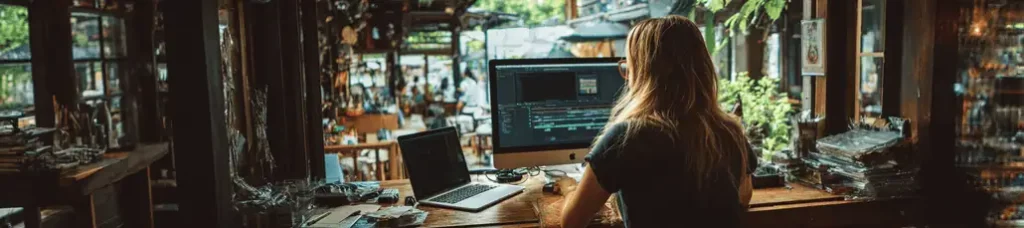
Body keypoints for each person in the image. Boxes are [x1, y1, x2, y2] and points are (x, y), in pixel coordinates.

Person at [560, 16, 757, 228]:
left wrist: (569, 188)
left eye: (628, 65)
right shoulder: (730, 131)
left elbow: (572, 221)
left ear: (642, 71)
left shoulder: (627, 136)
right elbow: (743, 198)